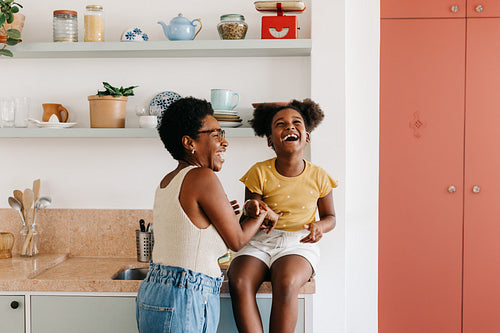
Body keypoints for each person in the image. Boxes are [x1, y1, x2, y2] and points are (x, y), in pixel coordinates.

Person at [135, 97, 279, 333]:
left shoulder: (169, 180)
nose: (225, 142)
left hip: (154, 290)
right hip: (185, 295)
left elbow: (193, 233)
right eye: (215, 135)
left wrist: (237, 217)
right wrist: (262, 212)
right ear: (189, 142)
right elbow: (237, 241)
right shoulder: (203, 177)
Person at [227, 99, 337, 333]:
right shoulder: (258, 172)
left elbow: (331, 217)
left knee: (286, 283)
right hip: (259, 242)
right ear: (269, 140)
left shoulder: (320, 176)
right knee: (238, 281)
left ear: (307, 136)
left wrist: (320, 226)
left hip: (298, 243)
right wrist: (256, 209)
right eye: (280, 124)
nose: (289, 127)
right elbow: (251, 209)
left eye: (297, 123)